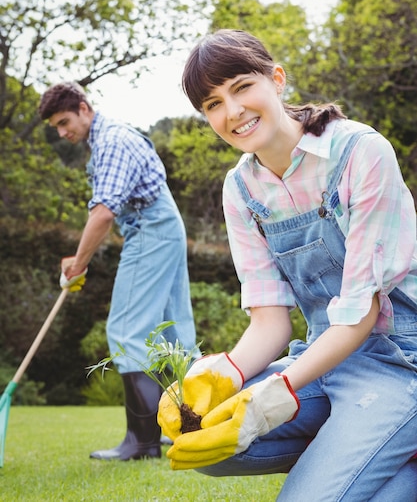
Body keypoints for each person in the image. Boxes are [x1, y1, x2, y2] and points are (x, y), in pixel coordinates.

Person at [157, 30, 417, 500]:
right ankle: (376, 453)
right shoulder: (240, 190)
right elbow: (269, 323)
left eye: (241, 87)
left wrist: (272, 395)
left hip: (402, 362)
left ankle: (370, 448)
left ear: (276, 79)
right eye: (213, 104)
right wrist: (224, 377)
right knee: (199, 435)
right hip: (324, 361)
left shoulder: (360, 152)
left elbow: (359, 315)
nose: (232, 112)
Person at [38, 82, 200, 461]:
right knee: (174, 334)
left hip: (150, 233)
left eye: (64, 122)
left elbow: (104, 212)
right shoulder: (109, 138)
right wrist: (79, 257)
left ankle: (142, 443)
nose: (63, 132)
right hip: (165, 229)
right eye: (56, 127)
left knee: (128, 331)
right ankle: (184, 429)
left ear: (83, 107)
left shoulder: (111, 141)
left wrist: (78, 264)